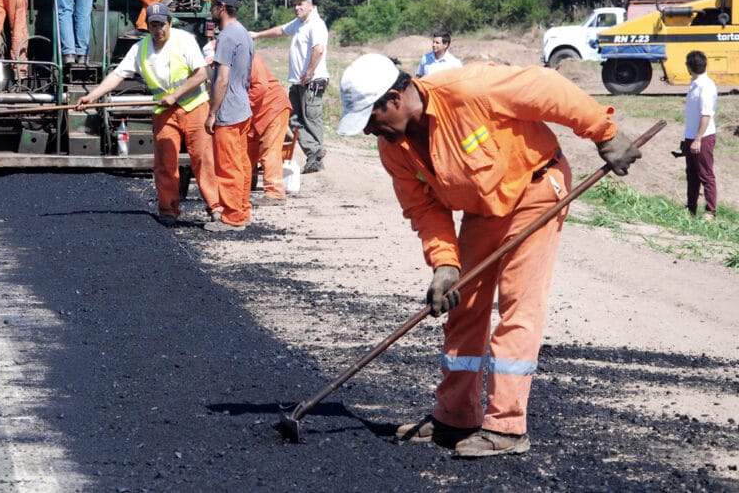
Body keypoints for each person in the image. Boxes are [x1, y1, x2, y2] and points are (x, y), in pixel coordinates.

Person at [336, 54, 641, 458]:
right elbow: (425, 210)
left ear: (393, 99)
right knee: (464, 304)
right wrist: (445, 263)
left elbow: (547, 88)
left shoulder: (469, 89)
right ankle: (454, 416)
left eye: (370, 119)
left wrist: (604, 133)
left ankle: (507, 427)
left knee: (518, 303)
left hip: (535, 188)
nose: (369, 130)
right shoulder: (394, 148)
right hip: (484, 209)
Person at [76, 2, 221, 226]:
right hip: (164, 111)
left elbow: (203, 73)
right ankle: (168, 210)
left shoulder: (184, 41)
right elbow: (118, 75)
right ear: (148, 26)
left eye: (162, 24)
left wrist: (176, 95)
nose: (158, 29)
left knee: (203, 159)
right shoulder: (140, 49)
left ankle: (215, 208)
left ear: (169, 23)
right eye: (153, 25)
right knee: (164, 162)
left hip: (194, 107)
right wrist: (93, 96)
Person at [251, 0, 329, 174]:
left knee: (310, 119)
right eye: (294, 4)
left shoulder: (315, 24)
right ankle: (314, 153)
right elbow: (280, 30)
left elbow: (318, 50)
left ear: (311, 5)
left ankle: (315, 154)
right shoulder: (300, 23)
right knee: (293, 118)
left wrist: (309, 73)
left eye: (300, 3)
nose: (296, 7)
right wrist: (257, 35)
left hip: (312, 81)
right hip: (299, 82)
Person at [203, 0, 255, 232]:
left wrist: (212, 113)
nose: (210, 9)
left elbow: (221, 79)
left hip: (228, 111)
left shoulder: (225, 37)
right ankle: (242, 209)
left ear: (221, 8)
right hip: (243, 107)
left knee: (228, 166)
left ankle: (233, 217)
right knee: (242, 163)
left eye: (213, 4)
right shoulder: (244, 33)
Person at [247, 52, 292, 204]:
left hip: (272, 106)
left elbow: (260, 87)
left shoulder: (251, 58)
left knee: (269, 149)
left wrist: (241, 106)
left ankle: (275, 193)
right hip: (255, 112)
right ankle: (240, 189)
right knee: (246, 152)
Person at [683, 50, 717, 220]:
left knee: (706, 175)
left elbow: (706, 115)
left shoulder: (706, 86)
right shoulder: (694, 84)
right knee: (692, 175)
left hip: (703, 137)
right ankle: (691, 209)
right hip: (691, 136)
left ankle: (710, 211)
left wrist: (697, 139)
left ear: (689, 67)